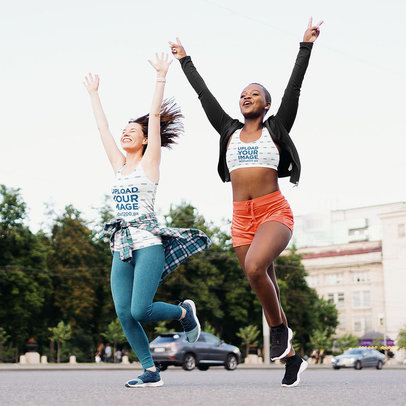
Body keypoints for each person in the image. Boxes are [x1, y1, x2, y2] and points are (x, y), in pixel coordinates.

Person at [169, 18, 323, 387]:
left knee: (256, 268)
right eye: (242, 94)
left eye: (254, 93)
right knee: (263, 277)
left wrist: (306, 46)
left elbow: (295, 88)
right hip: (241, 219)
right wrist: (185, 60)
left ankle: (280, 330)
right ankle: (292, 359)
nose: (246, 96)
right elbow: (204, 96)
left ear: (266, 104)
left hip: (273, 211)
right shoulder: (228, 131)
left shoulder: (276, 127)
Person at [84, 53, 211, 388]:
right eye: (124, 130)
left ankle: (184, 313)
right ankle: (150, 371)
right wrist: (94, 94)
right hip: (121, 246)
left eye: (132, 131)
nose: (125, 134)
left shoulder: (150, 163)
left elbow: (154, 115)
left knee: (141, 310)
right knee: (124, 313)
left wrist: (160, 77)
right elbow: (102, 128)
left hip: (148, 243)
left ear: (144, 140)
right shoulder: (118, 164)